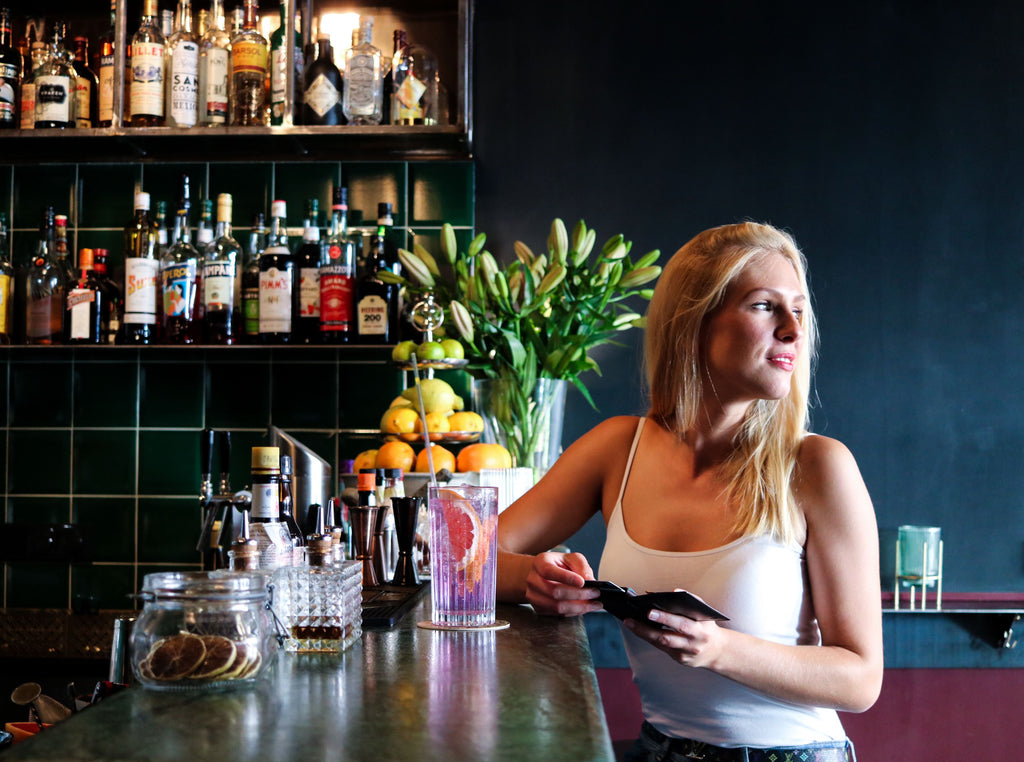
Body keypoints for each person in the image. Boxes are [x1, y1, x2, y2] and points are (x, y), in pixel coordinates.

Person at [496, 221, 882, 761]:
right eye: (765, 306)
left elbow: (861, 680)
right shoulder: (617, 448)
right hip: (660, 750)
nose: (794, 329)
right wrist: (535, 580)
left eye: (799, 309)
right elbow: (464, 557)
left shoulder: (817, 465)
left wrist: (722, 650)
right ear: (695, 323)